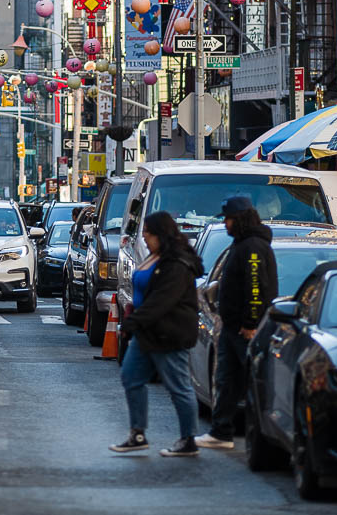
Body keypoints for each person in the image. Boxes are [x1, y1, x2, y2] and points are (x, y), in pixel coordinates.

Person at [112, 210, 203, 458]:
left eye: (147, 234)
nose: (144, 239)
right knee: (131, 377)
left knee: (178, 387)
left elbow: (162, 301)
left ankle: (188, 439)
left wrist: (132, 323)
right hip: (147, 332)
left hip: (168, 332)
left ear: (161, 234)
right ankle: (137, 433)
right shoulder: (156, 257)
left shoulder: (177, 264)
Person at [199, 196, 279, 449]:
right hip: (232, 327)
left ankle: (260, 438)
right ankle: (221, 431)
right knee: (226, 380)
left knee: (251, 384)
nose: (225, 223)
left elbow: (256, 287)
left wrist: (251, 322)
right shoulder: (242, 244)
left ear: (240, 219)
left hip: (245, 330)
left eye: (229, 218)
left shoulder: (253, 246)